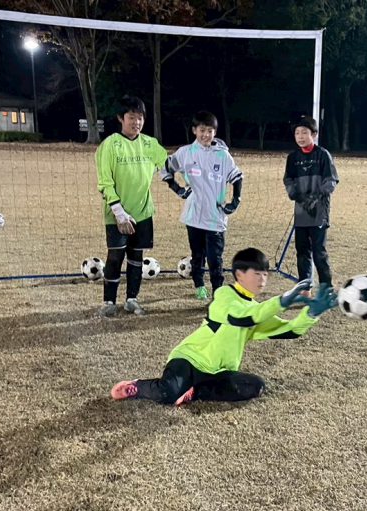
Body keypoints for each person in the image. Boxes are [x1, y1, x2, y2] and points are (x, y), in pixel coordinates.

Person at [110, 248, 337, 406]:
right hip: (189, 359)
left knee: (254, 386)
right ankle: (137, 386)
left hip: (217, 373)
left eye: (265, 274)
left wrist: (312, 313)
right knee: (167, 394)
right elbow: (241, 318)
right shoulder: (224, 295)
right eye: (256, 274)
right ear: (239, 275)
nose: (262, 280)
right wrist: (282, 301)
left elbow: (290, 330)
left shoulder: (257, 309)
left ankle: (195, 392)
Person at [94, 95, 169, 317]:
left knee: (136, 258)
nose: (137, 122)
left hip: (142, 212)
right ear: (121, 118)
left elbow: (168, 165)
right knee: (115, 257)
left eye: (140, 118)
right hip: (117, 215)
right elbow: (105, 183)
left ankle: (131, 300)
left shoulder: (150, 144)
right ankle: (109, 302)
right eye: (132, 117)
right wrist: (119, 213)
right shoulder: (109, 145)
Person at [162, 110, 243, 301]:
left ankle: (217, 292)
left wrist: (235, 201)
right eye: (202, 130)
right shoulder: (185, 153)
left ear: (215, 132)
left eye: (209, 131)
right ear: (194, 130)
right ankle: (199, 285)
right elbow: (165, 169)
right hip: (193, 215)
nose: (206, 134)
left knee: (215, 258)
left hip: (215, 216)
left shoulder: (223, 156)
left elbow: (237, 177)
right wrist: (178, 188)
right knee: (197, 255)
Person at [283, 116, 338, 288]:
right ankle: (305, 288)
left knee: (319, 253)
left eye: (304, 133)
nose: (300, 136)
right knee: (302, 251)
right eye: (297, 133)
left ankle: (326, 289)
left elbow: (331, 180)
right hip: (301, 211)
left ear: (314, 134)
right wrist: (298, 196)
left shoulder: (323, 155)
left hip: (318, 211)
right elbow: (288, 180)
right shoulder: (293, 158)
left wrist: (315, 198)